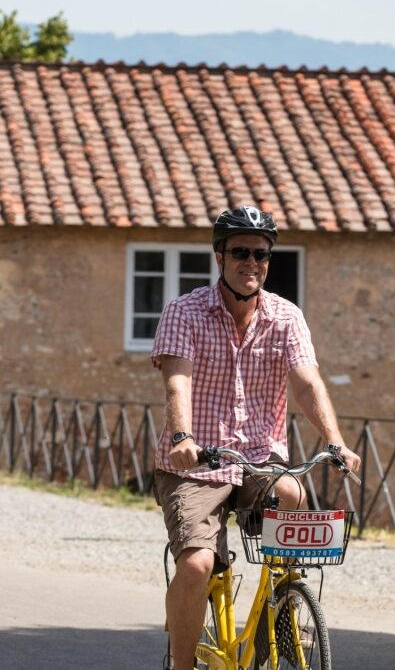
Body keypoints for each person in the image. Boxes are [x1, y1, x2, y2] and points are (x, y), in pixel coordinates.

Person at [151, 205, 362, 670]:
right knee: (198, 565)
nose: (253, 263)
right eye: (241, 252)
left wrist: (334, 440)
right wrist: (183, 435)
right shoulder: (184, 312)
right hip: (195, 465)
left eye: (262, 255)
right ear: (219, 257)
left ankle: (282, 617)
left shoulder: (286, 317)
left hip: (260, 461)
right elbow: (177, 380)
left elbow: (306, 382)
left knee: (291, 490)